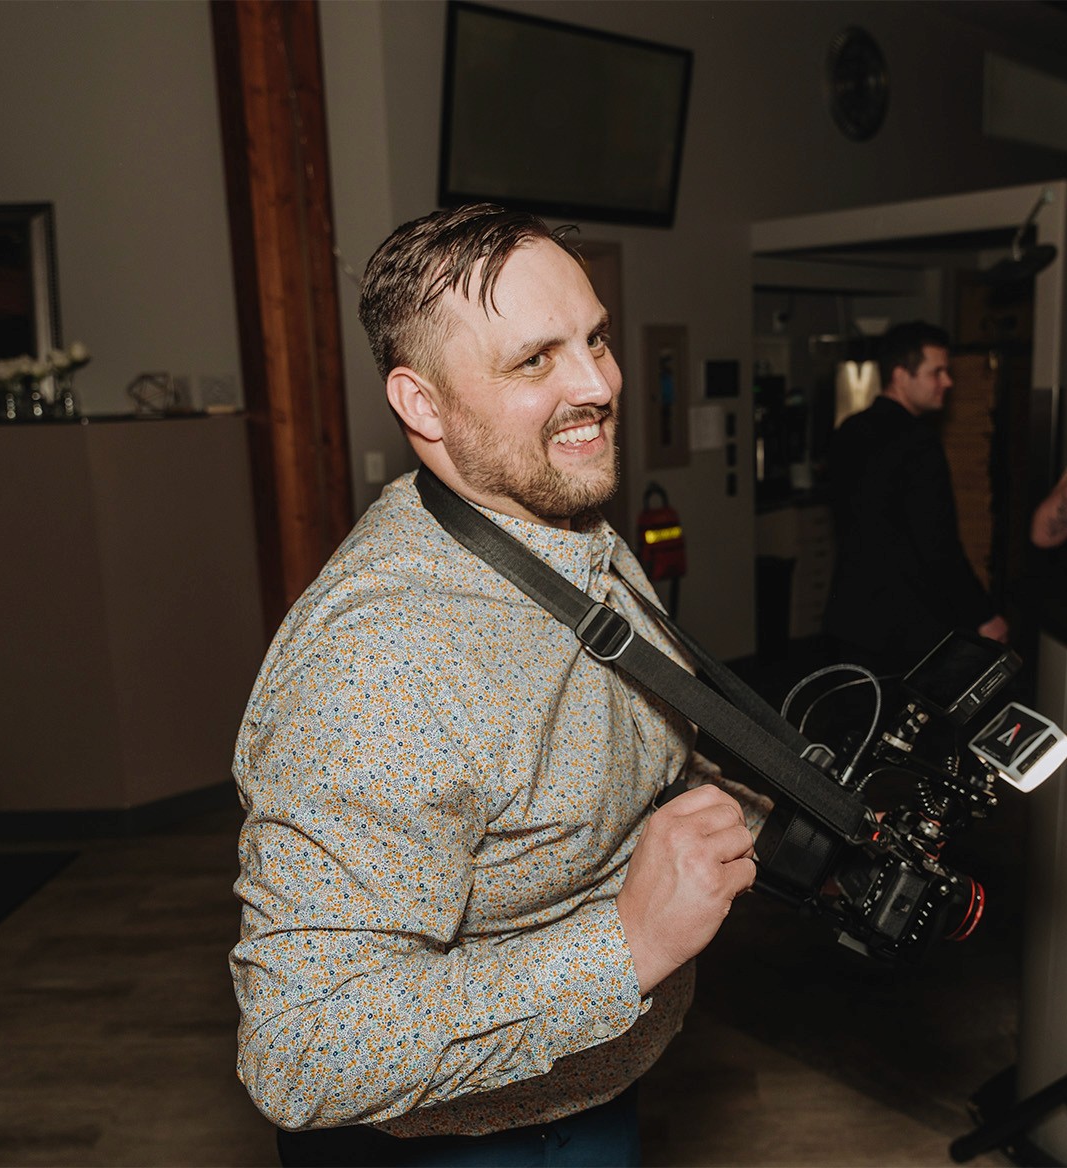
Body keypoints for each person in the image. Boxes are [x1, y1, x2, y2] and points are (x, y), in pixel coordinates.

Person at [231, 204, 768, 1167]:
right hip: (458, 1143)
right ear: (423, 406)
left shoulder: (573, 535)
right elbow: (298, 1050)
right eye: (535, 361)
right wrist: (628, 943)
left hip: (596, 1081)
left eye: (595, 339)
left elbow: (609, 764)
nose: (598, 384)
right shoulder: (376, 667)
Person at [821, 321, 1008, 675]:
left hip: (851, 617)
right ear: (900, 375)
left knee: (856, 723)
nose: (948, 382)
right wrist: (982, 615)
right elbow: (937, 545)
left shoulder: (848, 431)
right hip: (904, 629)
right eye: (936, 372)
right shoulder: (918, 444)